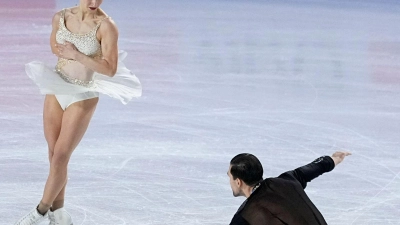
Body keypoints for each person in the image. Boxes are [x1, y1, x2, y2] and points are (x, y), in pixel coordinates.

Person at [15, 0, 141, 224]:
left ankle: (40, 211)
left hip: (83, 93)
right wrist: (66, 51)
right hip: (57, 85)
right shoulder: (61, 17)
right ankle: (59, 212)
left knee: (62, 155)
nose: (94, 2)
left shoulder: (106, 26)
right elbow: (55, 46)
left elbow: (110, 69)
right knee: (54, 155)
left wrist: (78, 55)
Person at [227, 151, 351, 225]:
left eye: (229, 176)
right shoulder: (287, 181)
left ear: (238, 182)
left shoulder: (244, 217)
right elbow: (315, 167)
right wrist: (335, 159)